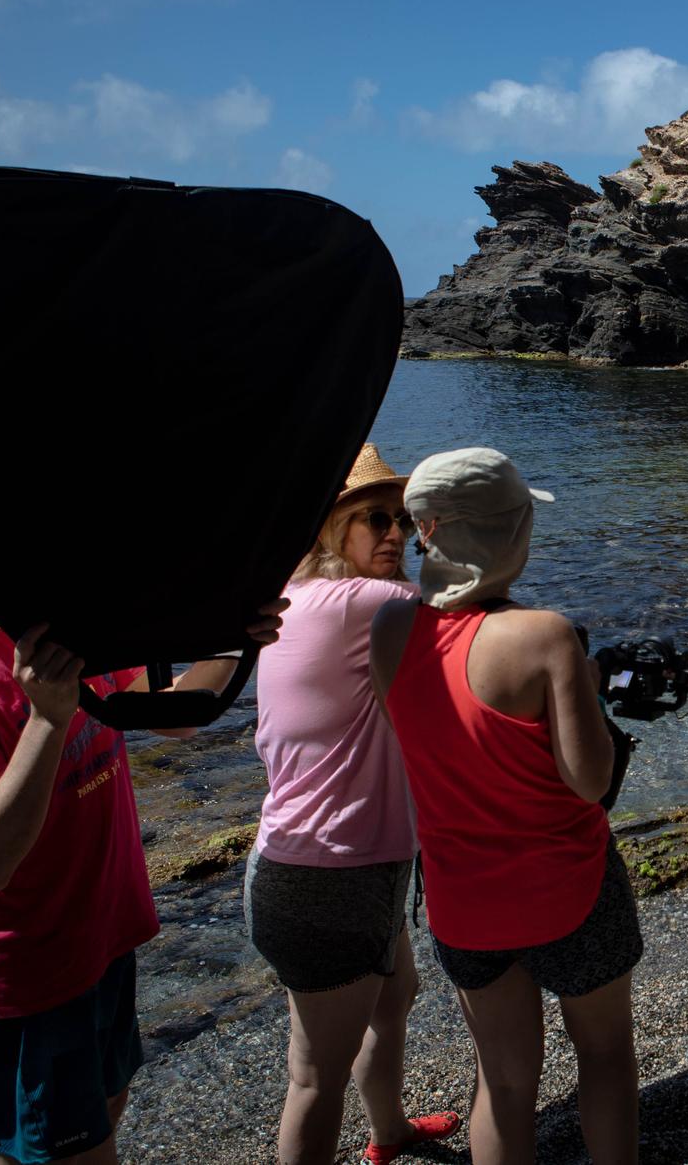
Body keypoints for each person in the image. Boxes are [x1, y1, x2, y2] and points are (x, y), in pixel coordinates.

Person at [0, 576, 284, 1165]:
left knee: (90, 1119)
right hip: (21, 980)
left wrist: (228, 641)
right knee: (68, 1152)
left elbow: (172, 715)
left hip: (100, 943)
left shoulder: (69, 630)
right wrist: (46, 719)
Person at [371, 448, 639, 1165]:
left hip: (463, 902)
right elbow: (590, 779)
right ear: (509, 531)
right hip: (570, 887)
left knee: (504, 1080)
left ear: (428, 531)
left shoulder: (389, 633)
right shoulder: (544, 635)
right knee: (607, 1055)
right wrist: (585, 684)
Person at [248, 443, 461, 1165]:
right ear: (331, 529)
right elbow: (471, 594)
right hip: (329, 876)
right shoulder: (374, 602)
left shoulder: (294, 597)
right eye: (377, 519)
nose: (398, 534)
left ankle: (390, 1129)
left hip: (325, 864)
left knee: (393, 993)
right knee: (313, 1077)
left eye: (404, 519)